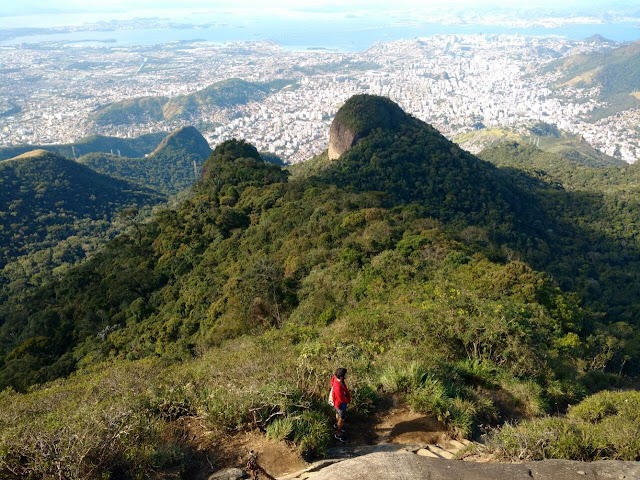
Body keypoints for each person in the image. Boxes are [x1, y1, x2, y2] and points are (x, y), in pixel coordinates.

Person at [331, 367, 351, 442]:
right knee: (342, 417)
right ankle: (338, 433)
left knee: (338, 415)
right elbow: (341, 398)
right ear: (341, 376)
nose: (347, 375)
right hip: (339, 404)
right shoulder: (338, 386)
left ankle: (338, 425)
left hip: (337, 403)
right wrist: (347, 400)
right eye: (346, 374)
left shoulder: (338, 380)